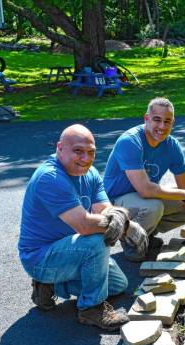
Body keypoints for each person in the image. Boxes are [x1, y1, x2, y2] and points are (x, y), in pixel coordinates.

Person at [18, 124, 148, 331]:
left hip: (70, 249)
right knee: (96, 239)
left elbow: (104, 210)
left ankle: (51, 285)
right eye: (78, 151)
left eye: (91, 152)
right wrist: (127, 228)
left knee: (117, 285)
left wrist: (121, 218)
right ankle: (91, 309)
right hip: (40, 258)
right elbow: (85, 225)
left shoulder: (91, 173)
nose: (86, 158)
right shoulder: (50, 177)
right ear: (60, 147)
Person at [103, 97, 185, 261]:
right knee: (154, 206)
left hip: (143, 200)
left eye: (167, 121)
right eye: (157, 120)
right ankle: (133, 245)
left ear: (172, 122)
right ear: (146, 119)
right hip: (115, 203)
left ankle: (148, 234)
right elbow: (145, 190)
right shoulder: (130, 141)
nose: (162, 126)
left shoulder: (172, 146)